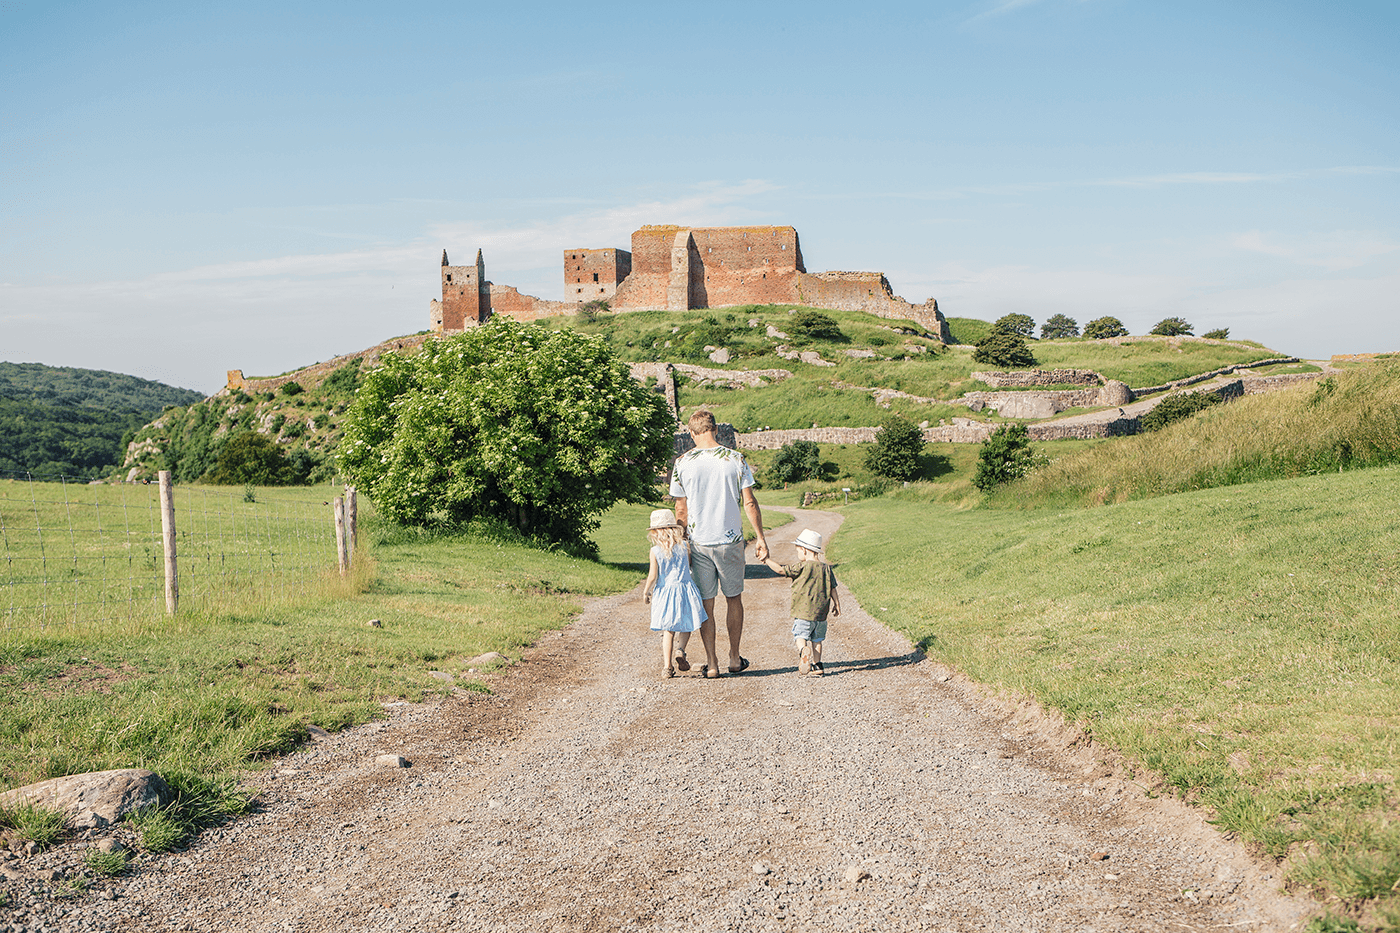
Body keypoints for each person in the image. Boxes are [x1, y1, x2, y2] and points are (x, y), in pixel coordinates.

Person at [668, 410, 768, 678]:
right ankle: (734, 657)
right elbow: (749, 502)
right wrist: (760, 537)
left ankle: (712, 664)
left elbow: (681, 510)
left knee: (706, 603)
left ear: (692, 433)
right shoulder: (736, 459)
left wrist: (682, 544)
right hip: (730, 540)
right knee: (734, 598)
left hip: (700, 542)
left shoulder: (683, 463)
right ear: (716, 430)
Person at [761, 528, 840, 677]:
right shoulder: (826, 569)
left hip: (803, 613)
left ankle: (803, 650)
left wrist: (766, 560)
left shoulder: (801, 567)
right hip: (821, 615)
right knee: (817, 640)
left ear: (804, 550)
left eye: (797, 550)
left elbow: (780, 570)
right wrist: (837, 604)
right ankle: (818, 666)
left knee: (800, 635)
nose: (797, 554)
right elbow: (833, 588)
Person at [642, 509, 707, 680]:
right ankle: (681, 650)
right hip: (685, 588)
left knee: (668, 629)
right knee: (687, 623)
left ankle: (667, 667)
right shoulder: (685, 546)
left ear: (656, 532)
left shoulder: (655, 551)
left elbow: (653, 576)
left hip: (665, 592)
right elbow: (690, 565)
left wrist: (646, 591)